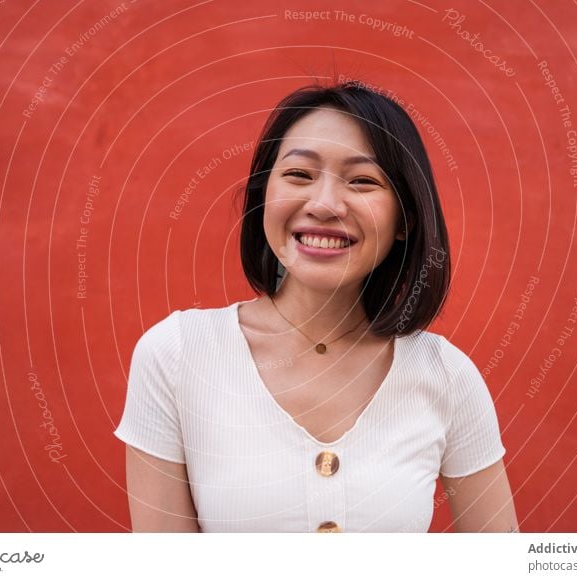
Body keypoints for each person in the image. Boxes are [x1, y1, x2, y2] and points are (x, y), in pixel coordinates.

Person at [114, 79, 519, 533]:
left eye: (363, 181)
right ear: (263, 198)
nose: (324, 205)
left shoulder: (445, 376)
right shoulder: (178, 355)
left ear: (405, 218)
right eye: (299, 175)